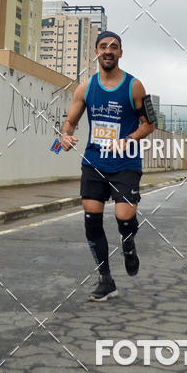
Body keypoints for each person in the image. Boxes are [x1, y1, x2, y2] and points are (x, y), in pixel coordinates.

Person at [59, 31, 155, 301]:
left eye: (114, 47)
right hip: (94, 162)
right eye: (103, 47)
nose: (108, 51)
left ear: (121, 52)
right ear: (97, 52)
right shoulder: (85, 87)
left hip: (125, 163)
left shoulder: (134, 86)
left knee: (124, 217)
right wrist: (64, 135)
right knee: (92, 220)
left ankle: (128, 242)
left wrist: (128, 139)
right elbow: (70, 122)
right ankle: (106, 279)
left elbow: (149, 124)